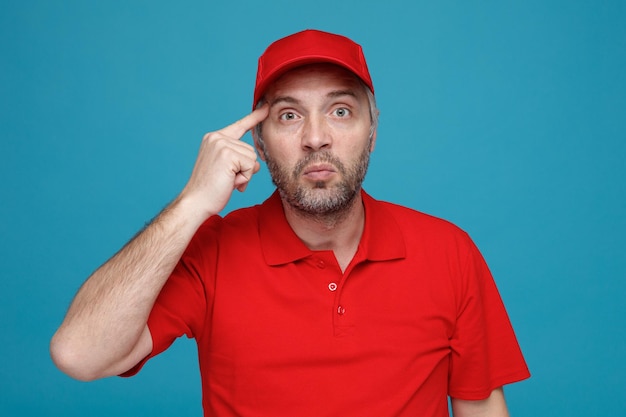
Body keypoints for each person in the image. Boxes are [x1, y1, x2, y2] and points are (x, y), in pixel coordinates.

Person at [50, 29, 530, 416]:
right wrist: (192, 204)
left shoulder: (447, 250)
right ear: (259, 141)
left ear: (374, 130)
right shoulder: (211, 252)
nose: (316, 138)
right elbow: (79, 355)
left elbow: (480, 405)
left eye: (340, 111)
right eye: (288, 116)